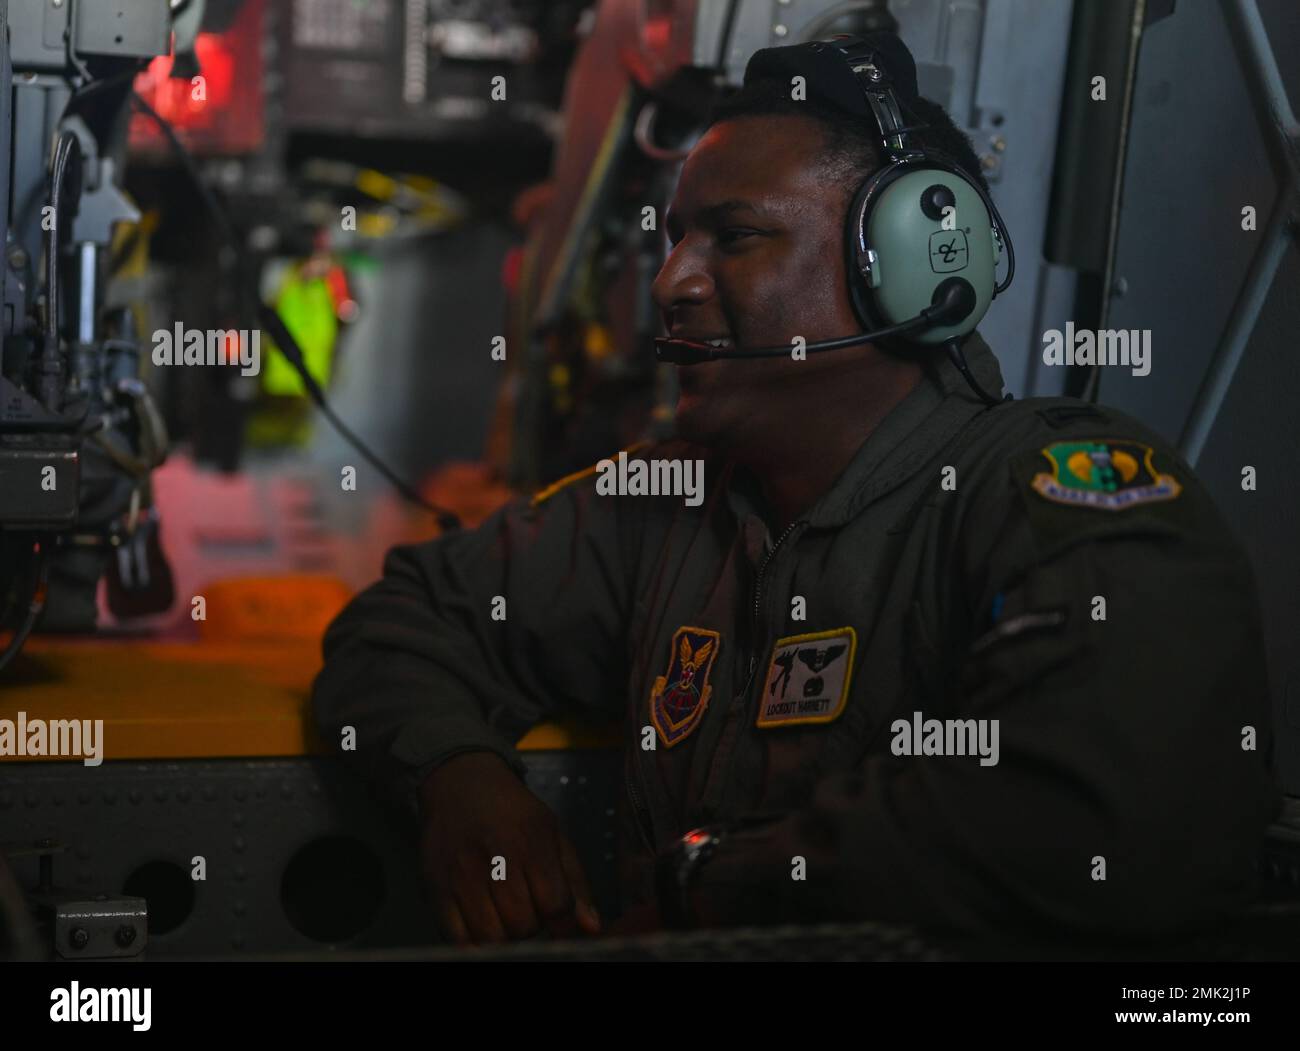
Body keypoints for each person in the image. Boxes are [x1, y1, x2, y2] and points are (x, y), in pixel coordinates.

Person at [312, 33, 1280, 948]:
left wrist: (711, 884)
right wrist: (456, 773)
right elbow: (402, 624)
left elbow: (1109, 817)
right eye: (677, 237)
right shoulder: (665, 507)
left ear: (907, 265)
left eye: (732, 237)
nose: (672, 282)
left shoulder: (1050, 497)